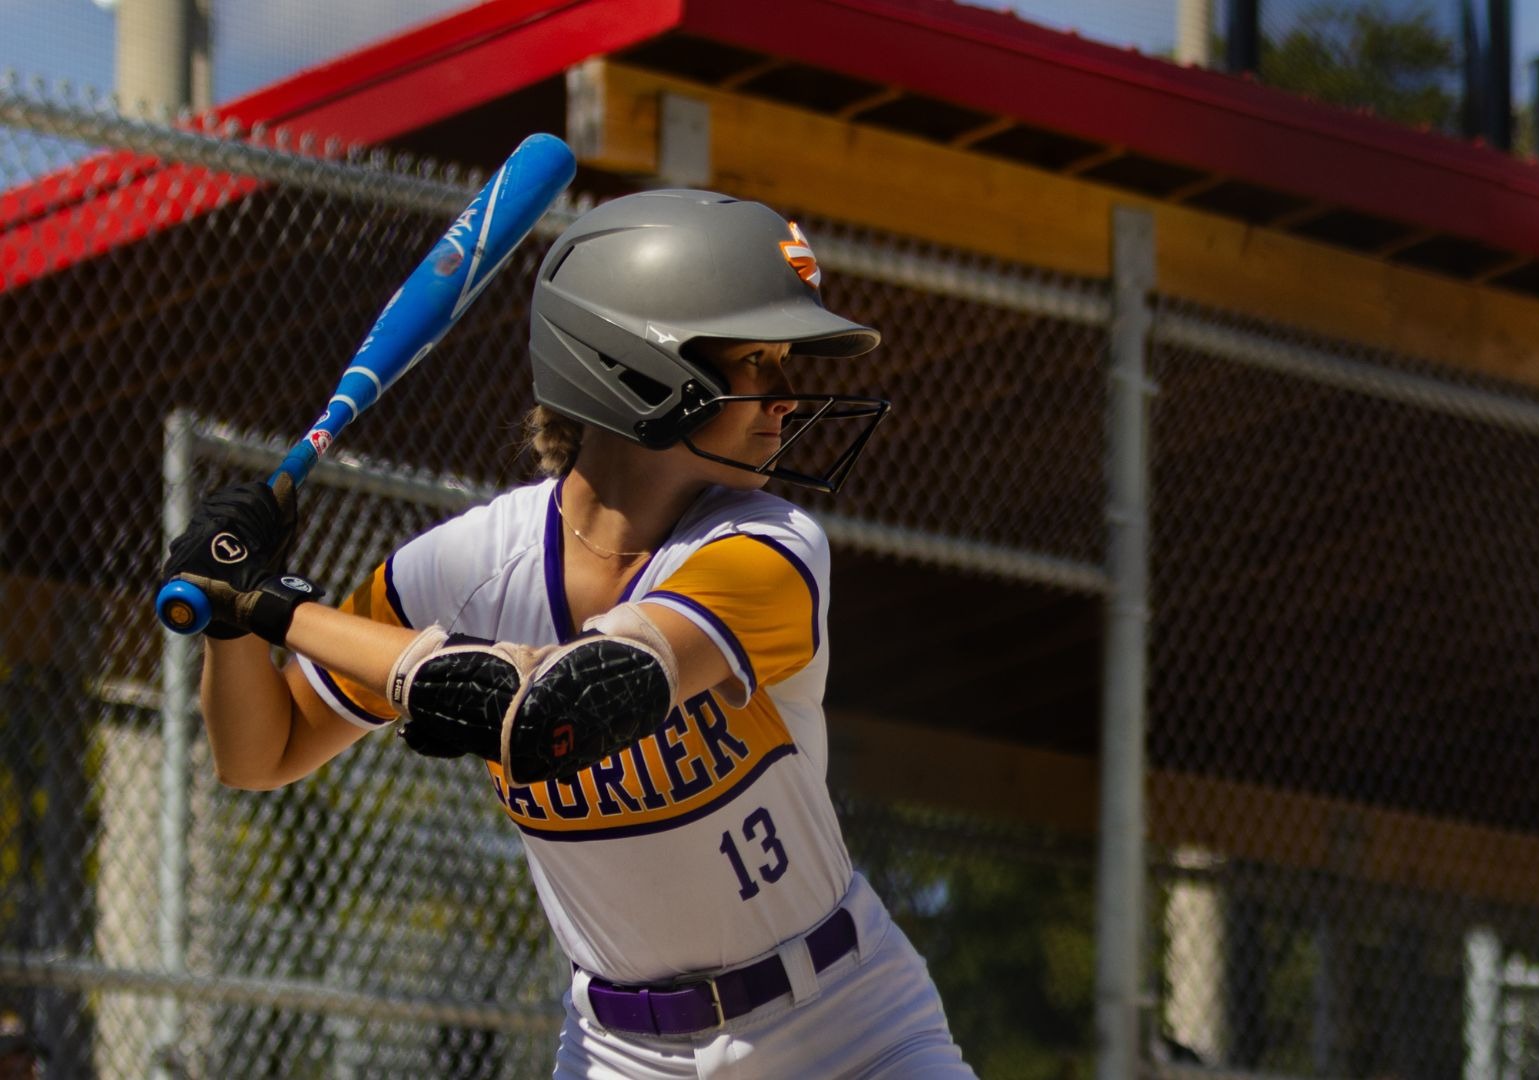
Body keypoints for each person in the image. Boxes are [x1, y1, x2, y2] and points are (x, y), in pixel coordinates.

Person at [163, 189, 974, 1078]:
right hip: (620, 1052)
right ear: (641, 367)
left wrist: (274, 607)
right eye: (759, 364)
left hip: (845, 1027)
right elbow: (256, 754)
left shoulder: (771, 548)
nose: (786, 400)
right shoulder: (466, 565)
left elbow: (564, 705)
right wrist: (230, 621)